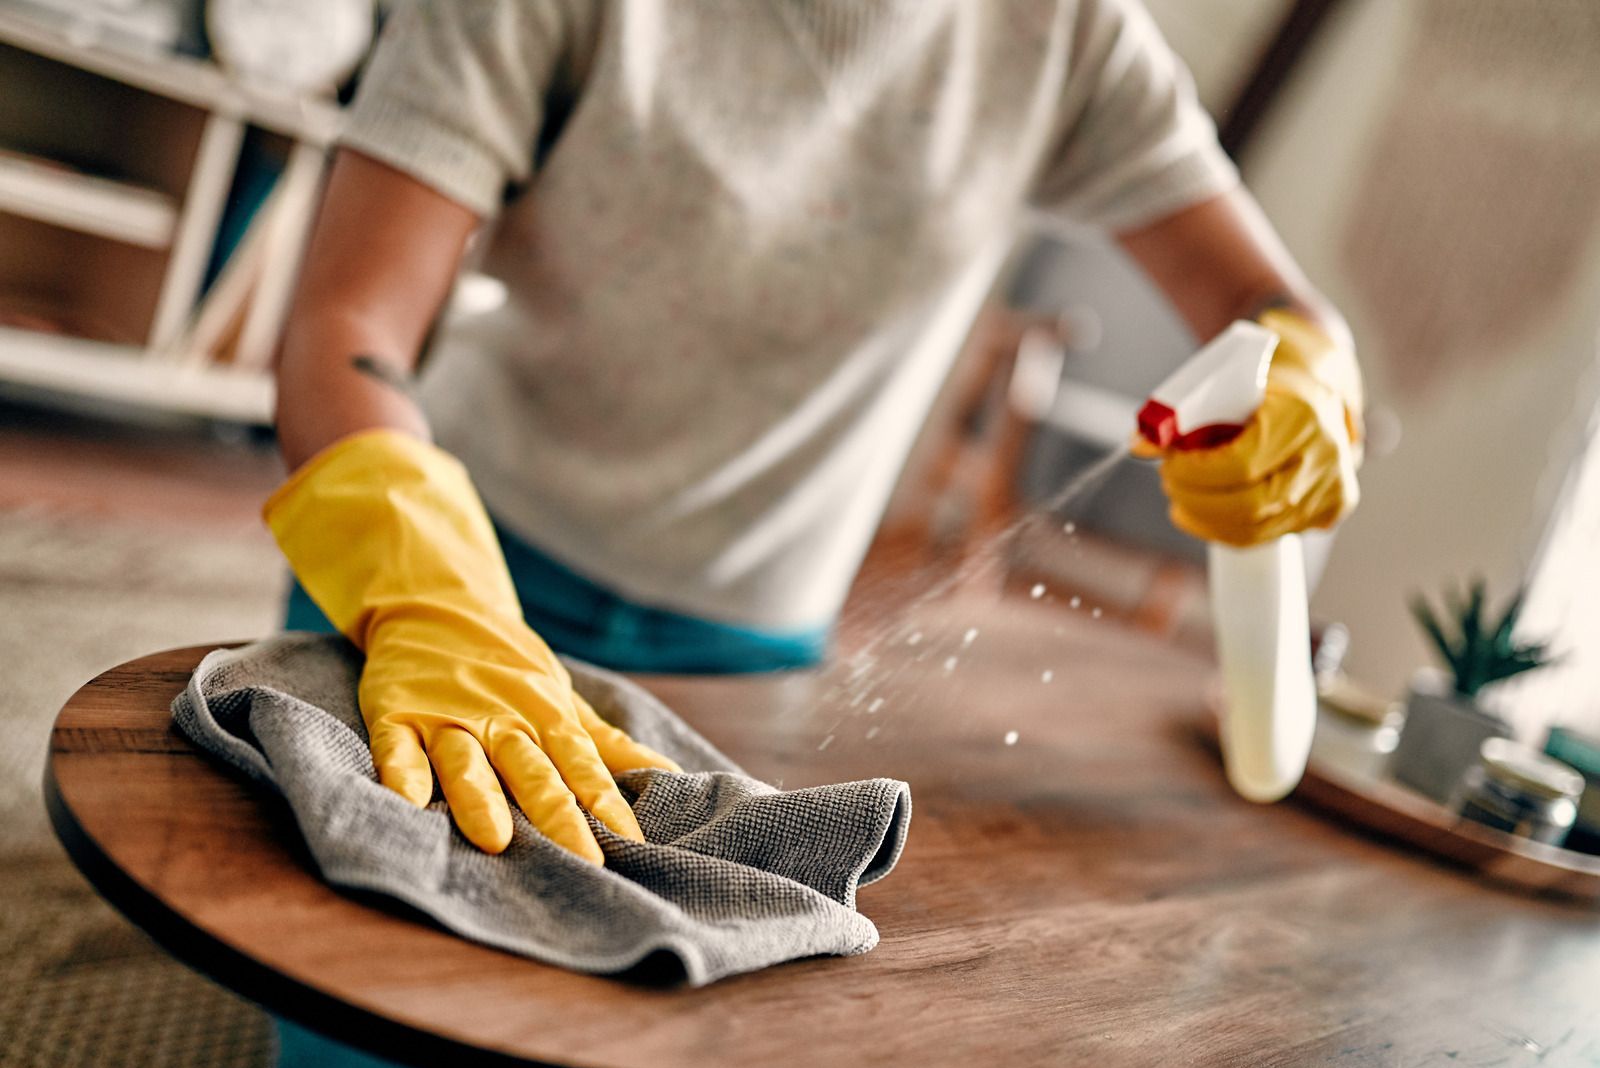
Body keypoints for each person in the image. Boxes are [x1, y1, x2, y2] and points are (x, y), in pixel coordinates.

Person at [271, 0, 1362, 881]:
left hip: (749, 658)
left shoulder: (1066, 30)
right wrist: (432, 598)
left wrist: (1312, 371)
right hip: (434, 584)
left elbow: (1273, 300)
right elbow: (349, 320)